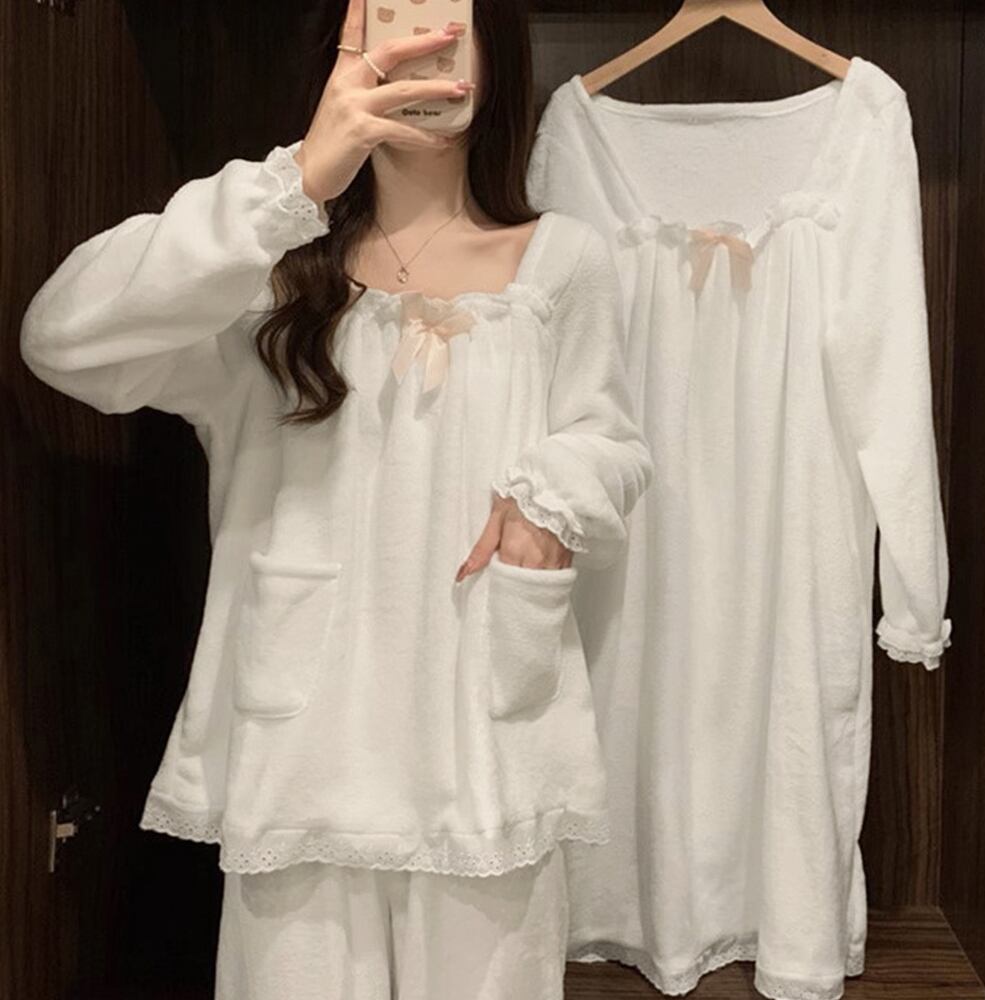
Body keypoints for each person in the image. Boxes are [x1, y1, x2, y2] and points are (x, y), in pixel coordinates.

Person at [19, 0, 653, 996]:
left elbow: (614, 442)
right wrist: (297, 181)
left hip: (482, 742)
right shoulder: (263, 273)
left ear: (496, 47)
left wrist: (553, 497)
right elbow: (62, 339)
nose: (423, 49)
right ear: (344, 51)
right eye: (393, 20)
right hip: (304, 748)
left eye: (448, 22)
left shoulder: (561, 262)